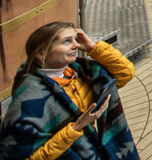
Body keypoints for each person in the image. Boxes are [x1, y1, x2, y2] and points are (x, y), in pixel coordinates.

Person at [0, 23, 139, 159]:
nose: (76, 45)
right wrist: (76, 128)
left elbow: (125, 73)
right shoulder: (29, 98)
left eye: (76, 39)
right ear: (41, 53)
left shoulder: (81, 71)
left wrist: (92, 48)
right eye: (67, 41)